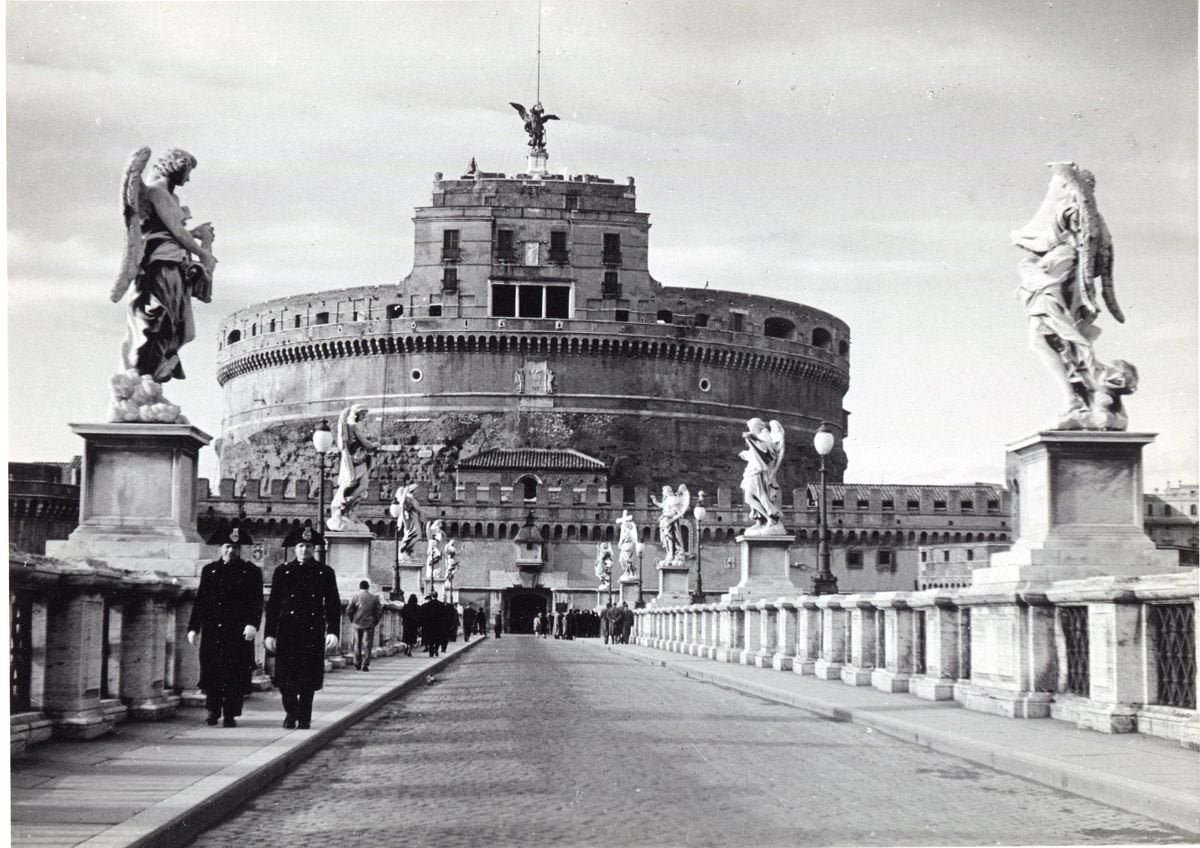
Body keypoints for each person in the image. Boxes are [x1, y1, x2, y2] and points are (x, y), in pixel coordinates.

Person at [114, 147, 217, 385]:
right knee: (157, 318)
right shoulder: (157, 192)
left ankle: (151, 374)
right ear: (176, 166)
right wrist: (202, 251)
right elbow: (177, 231)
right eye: (187, 171)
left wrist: (198, 235)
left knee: (182, 329)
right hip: (160, 266)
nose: (188, 178)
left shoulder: (172, 198)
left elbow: (173, 231)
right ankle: (140, 377)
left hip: (176, 265)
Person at [264, 524, 341, 730]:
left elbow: (333, 603)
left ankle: (305, 716)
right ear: (294, 548)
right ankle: (291, 711)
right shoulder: (283, 571)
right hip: (287, 630)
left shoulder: (324, 572)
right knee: (284, 678)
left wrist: (333, 631)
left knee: (309, 678)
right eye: (300, 546)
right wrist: (269, 633)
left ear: (313, 548)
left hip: (312, 630)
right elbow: (273, 605)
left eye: (308, 546)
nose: (304, 550)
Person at [187, 524, 263, 727]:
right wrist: (194, 627)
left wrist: (252, 624)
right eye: (227, 546)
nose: (231, 551)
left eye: (235, 548)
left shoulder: (250, 571)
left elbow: (256, 602)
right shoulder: (210, 570)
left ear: (240, 550)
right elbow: (200, 601)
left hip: (237, 631)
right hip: (213, 630)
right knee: (212, 671)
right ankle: (212, 711)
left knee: (235, 673)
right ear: (221, 547)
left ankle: (230, 713)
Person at [328, 405, 380, 530]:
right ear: (356, 414)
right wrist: (374, 444)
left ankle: (349, 505)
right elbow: (364, 441)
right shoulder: (353, 425)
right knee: (354, 483)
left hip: (360, 458)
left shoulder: (354, 425)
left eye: (364, 414)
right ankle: (344, 504)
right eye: (362, 414)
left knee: (363, 486)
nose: (363, 417)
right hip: (355, 459)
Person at [740, 418, 786, 532]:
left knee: (757, 496)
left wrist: (753, 438)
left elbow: (767, 451)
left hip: (759, 472)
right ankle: (761, 521)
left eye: (751, 427)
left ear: (758, 426)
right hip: (753, 471)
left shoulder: (765, 435)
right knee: (752, 497)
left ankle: (771, 517)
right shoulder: (759, 436)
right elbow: (755, 453)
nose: (750, 430)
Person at [346, 580, 384, 671]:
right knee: (367, 644)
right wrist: (375, 621)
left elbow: (348, 610)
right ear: (368, 587)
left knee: (357, 644)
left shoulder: (355, 596)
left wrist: (352, 619)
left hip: (357, 623)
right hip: (369, 624)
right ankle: (365, 664)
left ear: (360, 587)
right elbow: (379, 611)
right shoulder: (374, 598)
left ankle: (357, 663)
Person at [421, 591, 446, 657]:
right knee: (438, 639)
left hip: (430, 625)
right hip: (438, 625)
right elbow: (444, 615)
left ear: (432, 596)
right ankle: (436, 650)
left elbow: (425, 615)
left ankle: (431, 652)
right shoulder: (441, 604)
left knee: (430, 639)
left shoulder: (428, 605)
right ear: (437, 596)